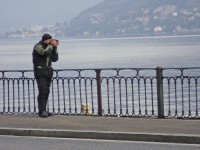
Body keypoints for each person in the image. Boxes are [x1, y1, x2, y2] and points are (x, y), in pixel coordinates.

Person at [32, 33, 59, 118]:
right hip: (40, 72)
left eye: (51, 40)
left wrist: (55, 47)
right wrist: (51, 46)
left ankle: (44, 109)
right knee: (42, 91)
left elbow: (55, 59)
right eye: (49, 40)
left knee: (47, 91)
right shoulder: (38, 46)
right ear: (45, 40)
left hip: (48, 72)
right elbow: (45, 53)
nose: (51, 41)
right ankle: (41, 111)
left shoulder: (49, 47)